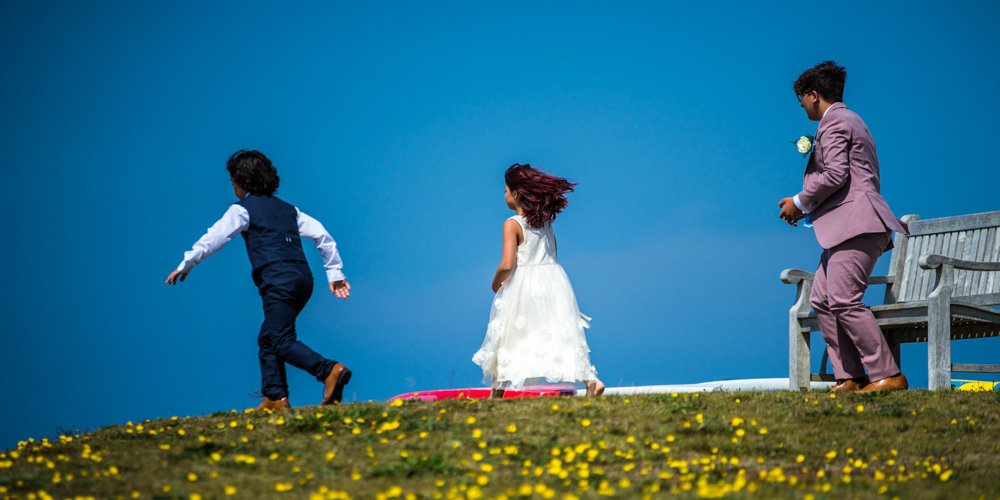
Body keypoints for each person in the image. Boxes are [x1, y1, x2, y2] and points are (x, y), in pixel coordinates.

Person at [165, 150, 353, 409]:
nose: (232, 187)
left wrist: (188, 262)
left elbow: (215, 236)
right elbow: (322, 235)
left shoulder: (242, 210)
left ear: (240, 182)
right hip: (303, 279)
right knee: (269, 337)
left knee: (280, 340)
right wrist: (334, 272)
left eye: (232, 182)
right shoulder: (290, 210)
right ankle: (275, 396)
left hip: (277, 279)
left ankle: (329, 371)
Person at [778, 61, 909, 392]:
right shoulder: (849, 120)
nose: (803, 106)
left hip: (859, 225)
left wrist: (799, 201)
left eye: (802, 100)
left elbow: (835, 174)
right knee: (822, 299)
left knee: (844, 299)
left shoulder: (836, 122)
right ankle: (850, 376)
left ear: (814, 95)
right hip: (845, 228)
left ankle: (887, 375)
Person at [472, 163, 604, 398]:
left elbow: (507, 264)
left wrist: (495, 284)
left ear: (516, 193)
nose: (503, 196)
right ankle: (591, 381)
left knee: (508, 335)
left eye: (505, 191)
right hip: (554, 282)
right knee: (559, 332)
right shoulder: (546, 224)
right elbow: (553, 252)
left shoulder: (512, 224)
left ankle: (497, 392)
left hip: (524, 284)